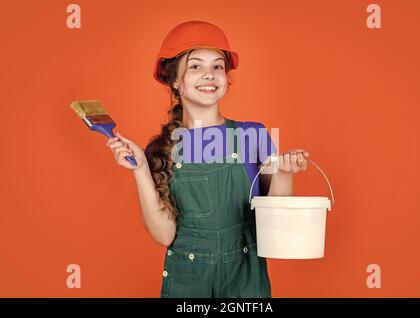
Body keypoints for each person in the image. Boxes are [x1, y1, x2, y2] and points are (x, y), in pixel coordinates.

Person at [106, 20, 309, 298]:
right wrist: (140, 167)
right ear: (175, 81)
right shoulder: (160, 149)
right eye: (195, 66)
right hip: (189, 288)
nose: (209, 74)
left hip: (245, 288)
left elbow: (277, 229)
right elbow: (165, 235)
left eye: (218, 66)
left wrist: (285, 172)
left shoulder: (253, 135)